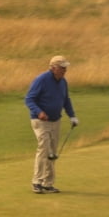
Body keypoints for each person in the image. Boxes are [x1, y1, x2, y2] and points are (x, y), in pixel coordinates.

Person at [24, 54, 77, 194]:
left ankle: (48, 183)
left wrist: (72, 116)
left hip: (55, 120)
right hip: (40, 120)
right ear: (53, 68)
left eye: (65, 68)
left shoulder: (63, 82)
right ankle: (37, 181)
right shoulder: (42, 80)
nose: (65, 70)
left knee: (52, 152)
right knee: (44, 149)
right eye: (62, 68)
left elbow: (66, 100)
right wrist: (39, 111)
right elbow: (29, 99)